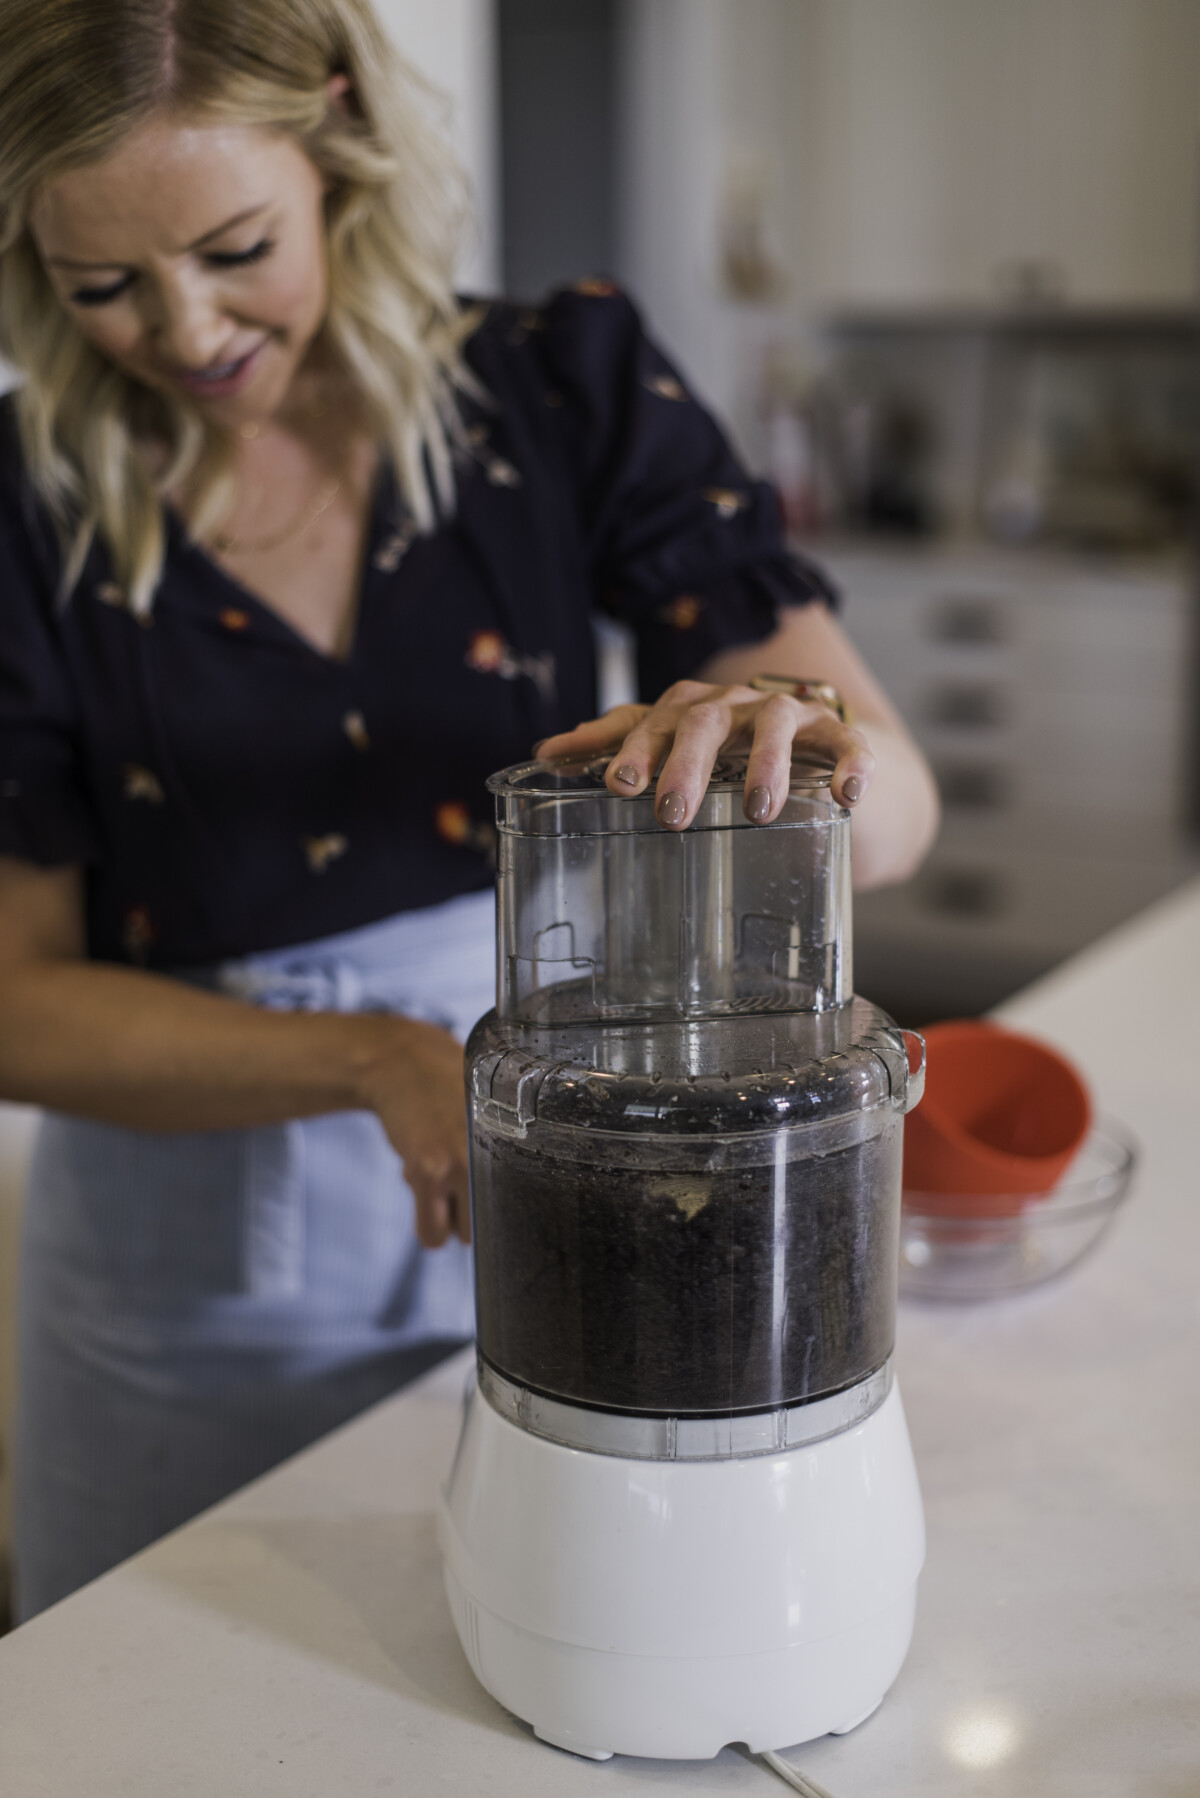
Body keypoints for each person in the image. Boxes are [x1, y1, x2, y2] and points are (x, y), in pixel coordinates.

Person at [0, 0, 939, 1620]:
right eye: (102, 285)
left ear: (337, 140)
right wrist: (373, 1055)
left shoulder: (557, 387)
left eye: (236, 246)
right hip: (186, 1284)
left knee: (542, 1648)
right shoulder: (25, 508)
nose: (186, 324)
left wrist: (798, 733)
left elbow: (902, 806)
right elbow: (10, 1004)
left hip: (569, 1188)